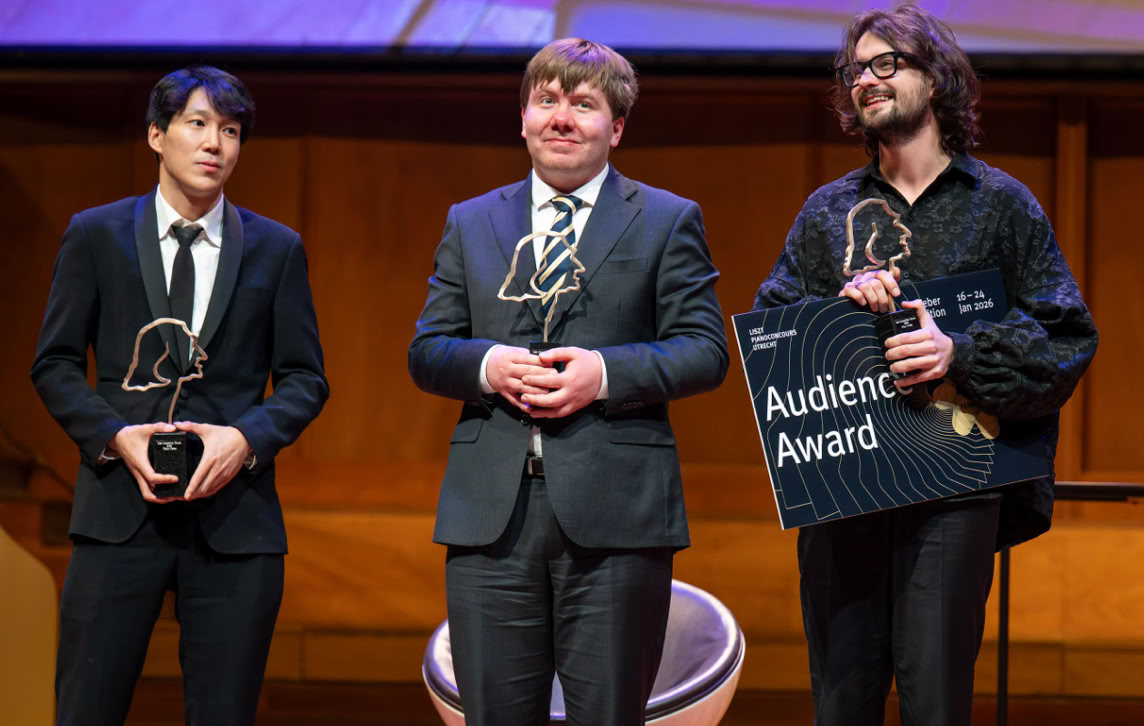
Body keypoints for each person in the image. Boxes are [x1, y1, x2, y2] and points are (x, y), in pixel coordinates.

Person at [752, 5, 1097, 725]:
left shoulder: (1000, 205)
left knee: (935, 702)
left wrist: (957, 354)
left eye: (887, 64)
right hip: (845, 488)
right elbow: (772, 338)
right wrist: (836, 319)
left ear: (936, 79)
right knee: (841, 704)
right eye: (855, 71)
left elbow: (1066, 338)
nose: (866, 81)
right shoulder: (827, 211)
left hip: (952, 491)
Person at [409, 37, 728, 725]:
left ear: (616, 128)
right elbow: (427, 351)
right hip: (490, 523)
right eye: (547, 100)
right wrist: (488, 366)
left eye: (583, 104)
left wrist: (604, 374)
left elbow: (705, 351)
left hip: (619, 521)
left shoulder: (667, 218)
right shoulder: (471, 220)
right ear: (522, 117)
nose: (561, 117)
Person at [31, 66, 329, 726]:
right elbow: (54, 364)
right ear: (156, 135)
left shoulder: (277, 248)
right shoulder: (96, 234)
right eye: (197, 124)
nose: (215, 143)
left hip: (235, 524)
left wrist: (245, 439)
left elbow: (306, 379)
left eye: (231, 130)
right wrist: (115, 437)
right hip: (117, 515)